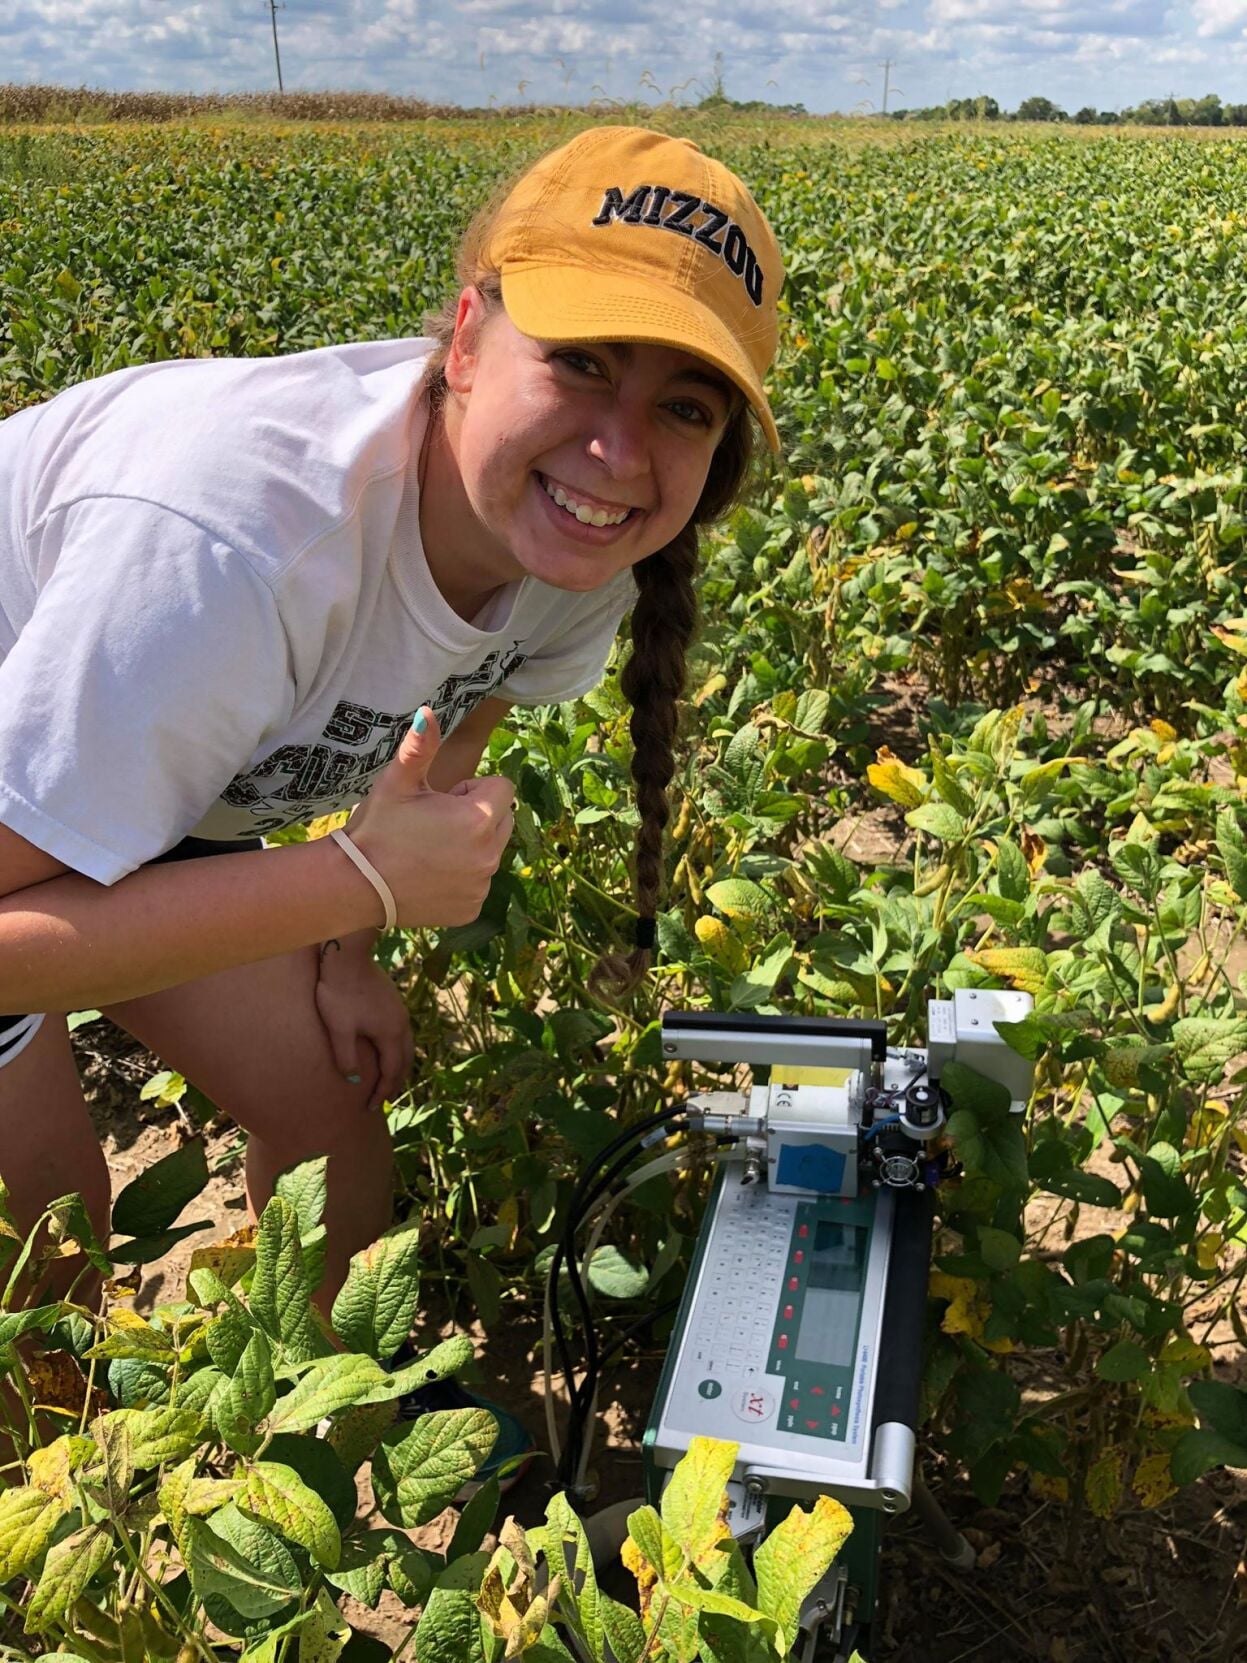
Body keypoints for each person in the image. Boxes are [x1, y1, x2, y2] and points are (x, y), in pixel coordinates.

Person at [0, 125, 784, 1371]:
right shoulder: (232, 542)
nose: (619, 453)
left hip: (149, 775)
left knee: (335, 1132)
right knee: (49, 1267)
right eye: (579, 363)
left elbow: (450, 724)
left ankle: (312, 1454)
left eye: (681, 405)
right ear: (465, 339)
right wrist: (351, 880)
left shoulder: (573, 545)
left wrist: (347, 950)